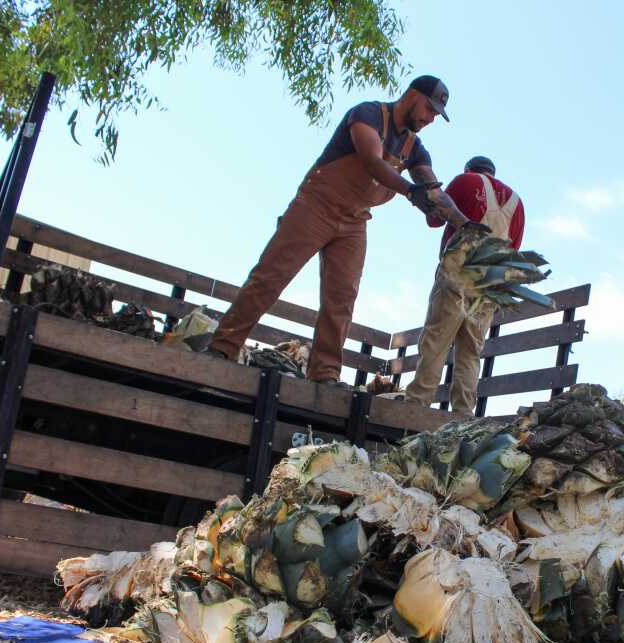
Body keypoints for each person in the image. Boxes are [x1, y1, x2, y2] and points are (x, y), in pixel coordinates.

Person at [206, 75, 476, 387]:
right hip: (316, 205)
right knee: (270, 277)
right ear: (413, 95)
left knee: (342, 298)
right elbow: (372, 161)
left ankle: (325, 374)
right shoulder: (368, 114)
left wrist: (463, 223)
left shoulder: (415, 148)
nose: (430, 118)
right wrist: (408, 190)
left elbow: (433, 190)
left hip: (354, 221)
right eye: (429, 109)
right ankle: (223, 347)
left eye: (435, 115)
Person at [404, 156, 525, 414]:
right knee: (470, 352)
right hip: (491, 283)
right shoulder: (517, 202)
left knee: (436, 341)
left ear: (469, 169)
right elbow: (514, 250)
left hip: (458, 272)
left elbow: (435, 219)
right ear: (493, 172)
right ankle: (463, 415)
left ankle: (415, 407)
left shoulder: (465, 181)